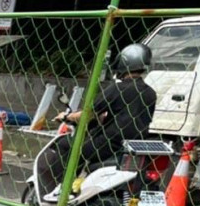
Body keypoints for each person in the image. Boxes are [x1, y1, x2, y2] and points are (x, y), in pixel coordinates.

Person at [56, 42, 157, 170]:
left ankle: (65, 184)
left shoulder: (117, 89)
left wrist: (66, 116)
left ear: (124, 63)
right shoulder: (150, 93)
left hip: (108, 145)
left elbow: (87, 114)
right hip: (132, 145)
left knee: (63, 144)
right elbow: (130, 115)